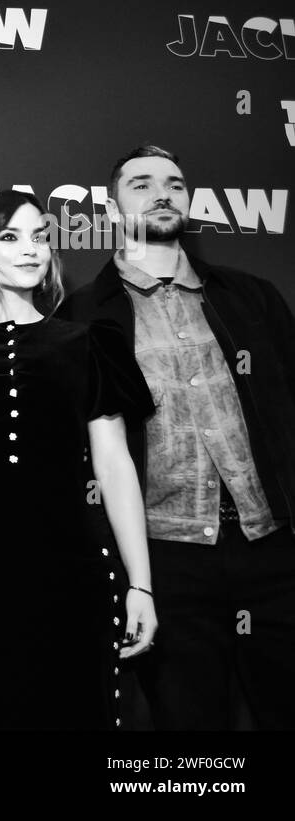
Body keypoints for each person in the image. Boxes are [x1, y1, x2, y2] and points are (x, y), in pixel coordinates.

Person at [59, 145, 295, 730]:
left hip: (274, 552)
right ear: (112, 209)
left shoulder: (252, 297)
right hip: (165, 561)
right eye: (141, 184)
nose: (162, 193)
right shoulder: (83, 317)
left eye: (174, 184)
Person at [0, 190, 158, 729]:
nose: (30, 250)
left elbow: (114, 465)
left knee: (69, 705)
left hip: (66, 559)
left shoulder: (86, 342)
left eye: (40, 238)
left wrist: (140, 584)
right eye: (9, 237)